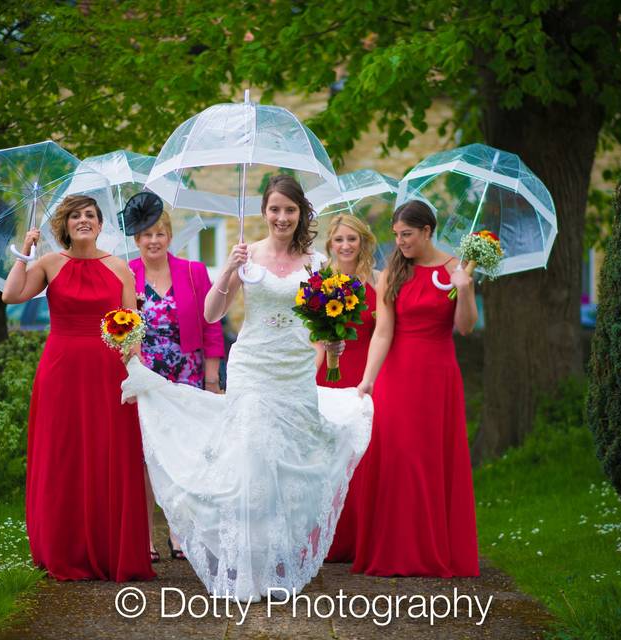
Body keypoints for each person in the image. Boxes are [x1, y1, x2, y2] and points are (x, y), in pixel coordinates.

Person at [119, 175, 372, 601]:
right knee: (253, 461)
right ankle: (245, 569)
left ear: (300, 213)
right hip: (253, 370)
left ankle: (277, 561)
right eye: (275, 209)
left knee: (288, 465)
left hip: (294, 373)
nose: (282, 217)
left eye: (289, 210)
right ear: (264, 212)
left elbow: (324, 323)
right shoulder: (247, 255)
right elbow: (211, 313)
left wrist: (334, 340)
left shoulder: (316, 263)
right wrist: (229, 272)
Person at [2, 194, 155, 582]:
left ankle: (107, 546)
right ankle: (64, 546)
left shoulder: (120, 268)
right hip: (61, 371)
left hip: (108, 372)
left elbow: (132, 328)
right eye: (75, 216)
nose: (83, 220)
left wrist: (134, 365)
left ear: (101, 225)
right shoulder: (49, 264)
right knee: (64, 453)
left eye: (90, 215)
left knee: (108, 453)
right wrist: (24, 250)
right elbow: (11, 295)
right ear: (66, 226)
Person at [353, 199, 480, 577]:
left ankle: (432, 552)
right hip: (398, 374)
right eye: (396, 235)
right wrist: (368, 378)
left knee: (431, 460)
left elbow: (467, 327)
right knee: (398, 458)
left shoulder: (456, 269)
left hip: (438, 376)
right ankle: (396, 551)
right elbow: (383, 331)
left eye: (407, 235)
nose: (400, 242)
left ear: (427, 231)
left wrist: (466, 289)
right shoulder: (391, 274)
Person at [124, 193, 225, 562]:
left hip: (187, 373)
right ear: (136, 240)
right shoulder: (125, 274)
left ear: (169, 236)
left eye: (160, 233)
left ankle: (180, 533)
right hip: (145, 373)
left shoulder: (193, 272)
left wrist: (213, 380)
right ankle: (146, 536)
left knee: (186, 453)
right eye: (146, 234)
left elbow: (212, 325)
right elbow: (116, 327)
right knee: (147, 455)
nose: (153, 240)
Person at [314, 214, 379, 563]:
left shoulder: (378, 281)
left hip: (365, 375)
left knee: (361, 455)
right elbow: (313, 340)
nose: (346, 245)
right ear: (330, 244)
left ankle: (358, 539)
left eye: (352, 239)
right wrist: (309, 379)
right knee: (328, 455)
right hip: (329, 373)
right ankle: (328, 538)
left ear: (363, 242)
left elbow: (385, 333)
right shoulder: (321, 283)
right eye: (339, 239)